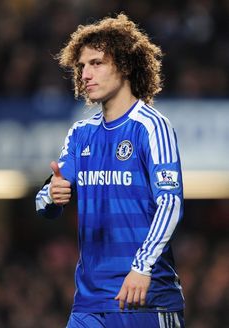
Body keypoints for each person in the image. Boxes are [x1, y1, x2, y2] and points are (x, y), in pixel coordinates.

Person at [36, 13, 185, 328]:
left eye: (96, 63)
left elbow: (170, 202)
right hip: (89, 302)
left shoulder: (151, 127)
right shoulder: (80, 133)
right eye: (82, 66)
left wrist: (142, 267)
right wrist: (52, 194)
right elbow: (45, 199)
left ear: (126, 65)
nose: (86, 74)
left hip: (145, 297)